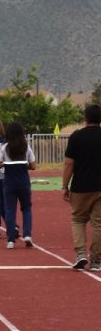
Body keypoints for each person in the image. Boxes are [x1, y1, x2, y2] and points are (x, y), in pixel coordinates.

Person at [62, 102, 101, 271]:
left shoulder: (77, 137)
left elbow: (69, 163)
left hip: (80, 187)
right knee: (98, 224)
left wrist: (65, 186)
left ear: (85, 118)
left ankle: (81, 254)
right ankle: (96, 260)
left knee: (78, 220)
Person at [0, 121, 36, 248]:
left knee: (10, 210)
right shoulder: (26, 147)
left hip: (9, 182)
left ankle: (11, 240)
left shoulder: (4, 147)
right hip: (23, 181)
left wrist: (5, 164)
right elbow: (33, 166)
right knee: (26, 208)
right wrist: (23, 164)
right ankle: (27, 234)